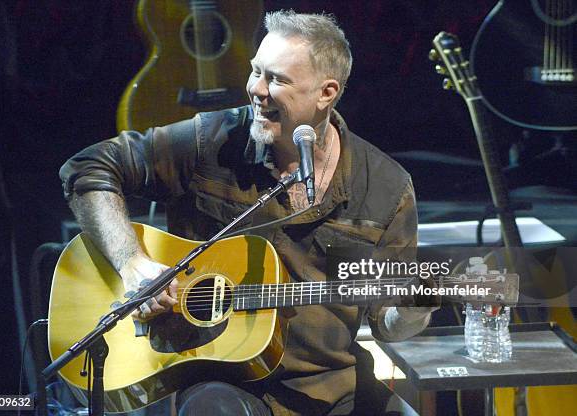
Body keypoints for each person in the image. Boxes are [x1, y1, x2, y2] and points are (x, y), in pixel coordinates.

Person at [60, 10, 436, 416]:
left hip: (330, 389)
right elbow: (87, 167)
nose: (256, 89)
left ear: (326, 93)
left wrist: (414, 309)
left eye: (276, 79)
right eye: (255, 71)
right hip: (216, 379)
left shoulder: (384, 187)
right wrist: (132, 263)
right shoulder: (212, 141)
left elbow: (387, 322)